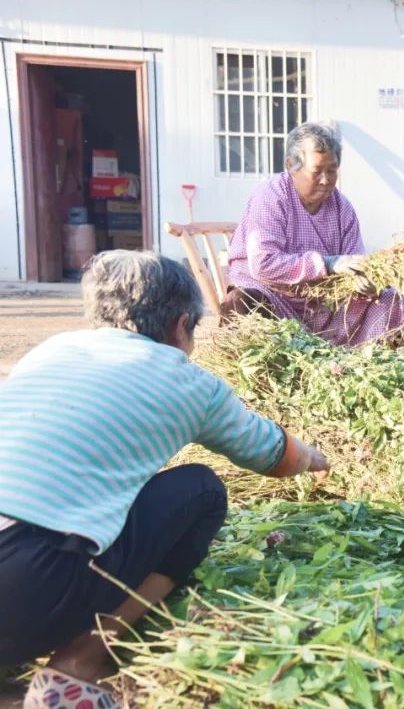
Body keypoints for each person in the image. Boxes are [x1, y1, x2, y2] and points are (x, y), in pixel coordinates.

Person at [0, 251, 330, 709]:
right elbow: (275, 455)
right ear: (180, 326)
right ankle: (82, 663)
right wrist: (319, 459)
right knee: (202, 490)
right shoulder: (190, 383)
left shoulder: (50, 351)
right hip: (22, 593)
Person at [223, 120, 404, 345]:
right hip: (271, 297)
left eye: (332, 170)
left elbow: (354, 260)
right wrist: (328, 264)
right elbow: (263, 264)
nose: (326, 180)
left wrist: (363, 281)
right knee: (242, 302)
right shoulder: (270, 197)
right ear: (291, 165)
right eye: (317, 171)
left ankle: (355, 363)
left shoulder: (342, 208)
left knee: (388, 299)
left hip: (320, 306)